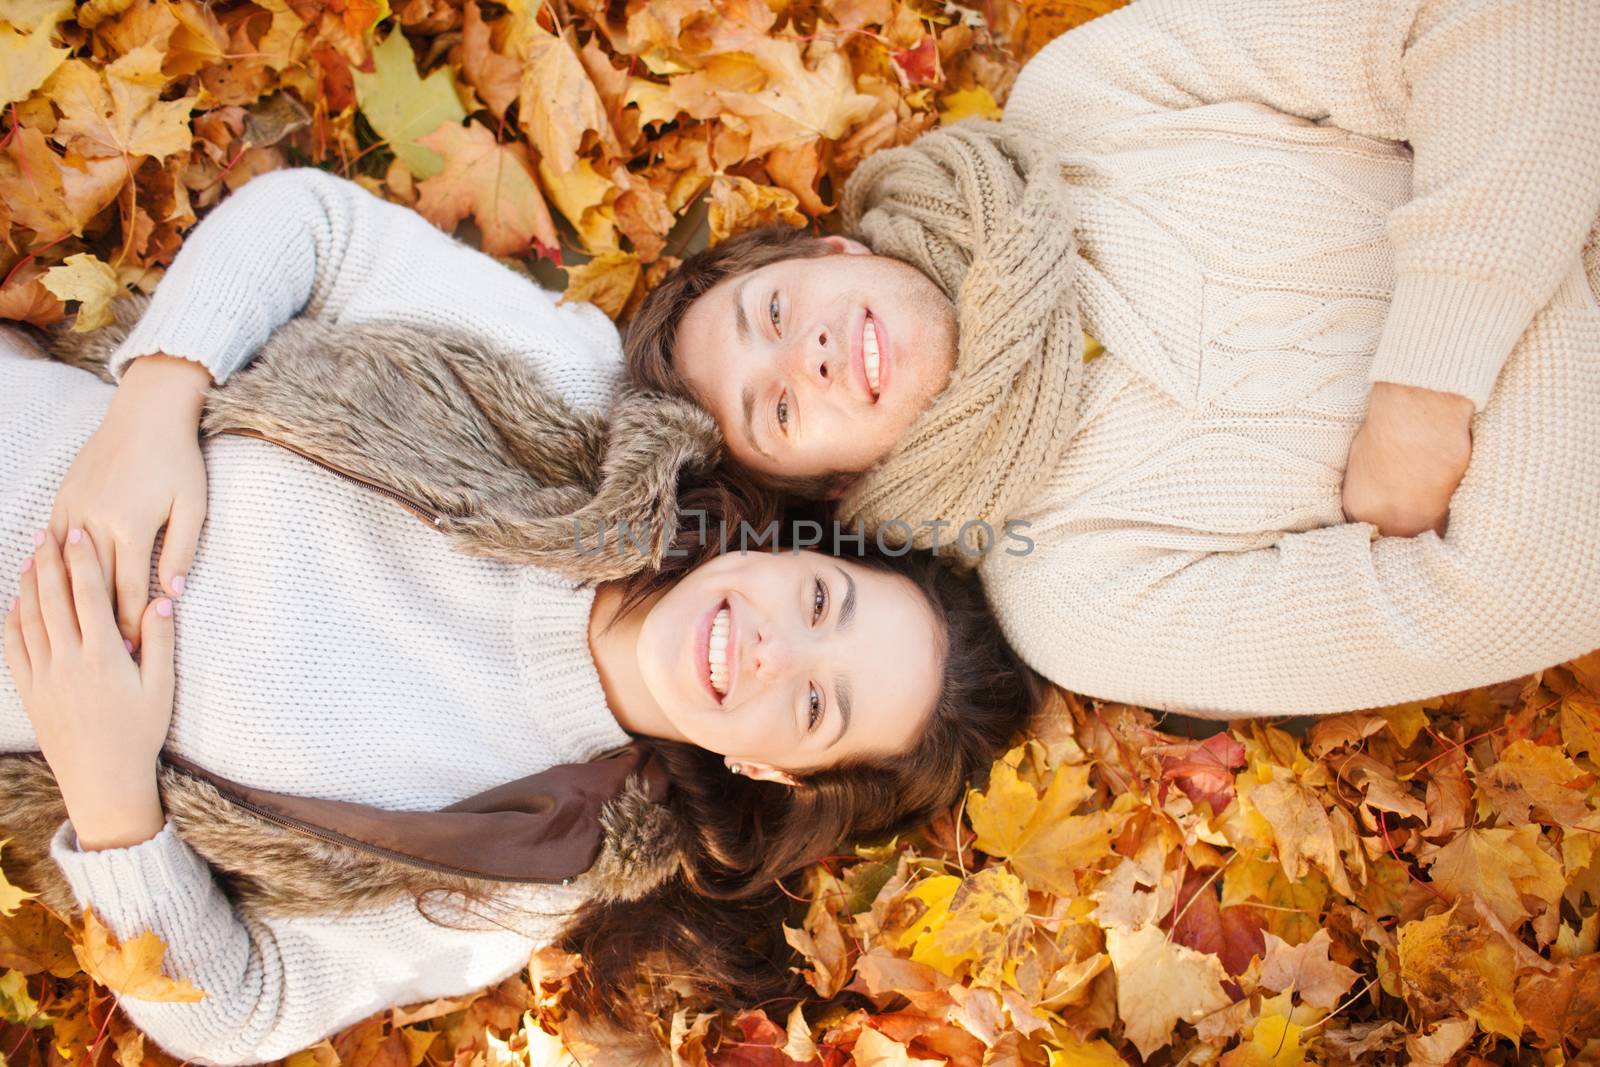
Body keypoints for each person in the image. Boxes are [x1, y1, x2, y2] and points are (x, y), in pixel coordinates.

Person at [0, 306, 1039, 1064]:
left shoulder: (525, 868)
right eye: (819, 600)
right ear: (783, 548)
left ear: (767, 767)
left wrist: (110, 798)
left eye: (817, 704)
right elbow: (312, 224)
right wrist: (154, 401)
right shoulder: (580, 407)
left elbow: (240, 1011)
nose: (777, 648)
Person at [626, 0, 1600, 717]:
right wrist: (1526, 190)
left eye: (777, 309)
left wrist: (1428, 385)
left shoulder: (1084, 105)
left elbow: (1506, 21)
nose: (813, 355)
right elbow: (1548, 583)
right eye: (780, 410)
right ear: (836, 485)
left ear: (828, 251)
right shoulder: (1080, 600)